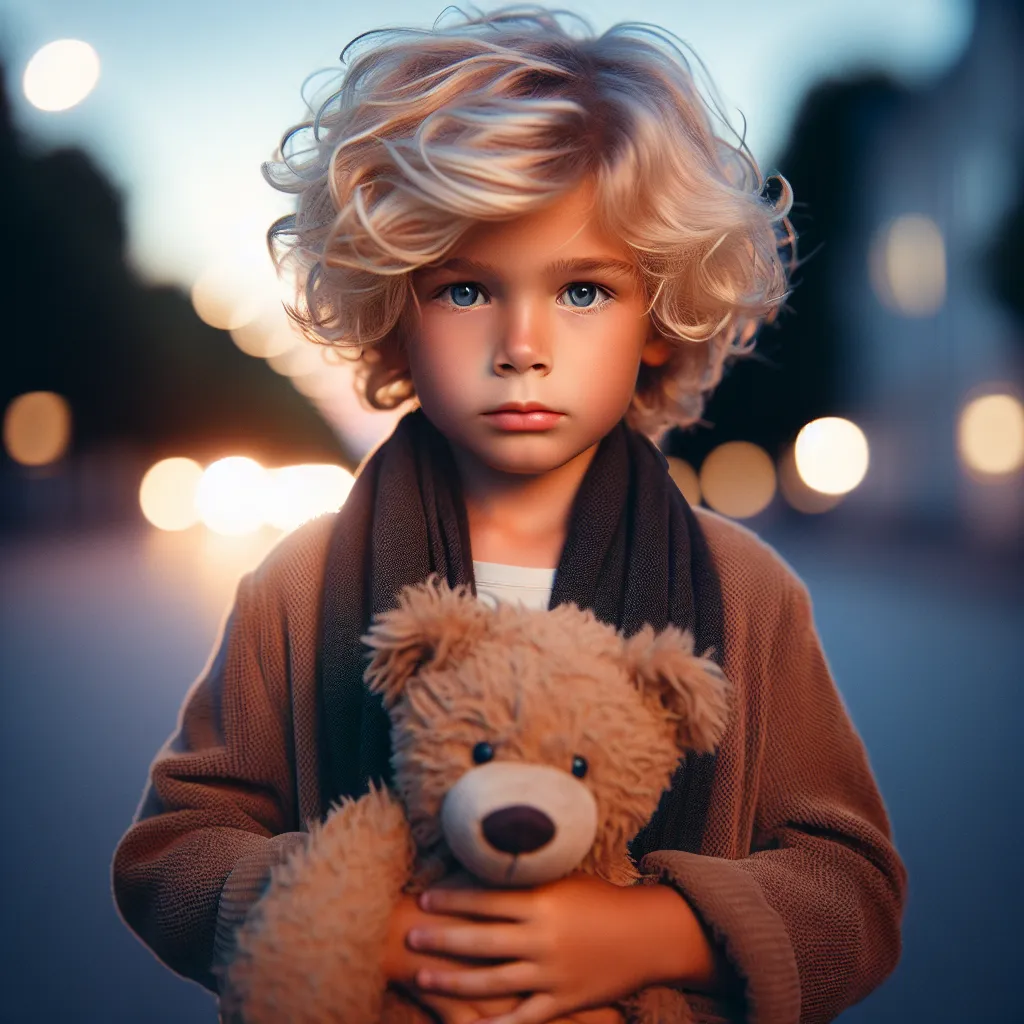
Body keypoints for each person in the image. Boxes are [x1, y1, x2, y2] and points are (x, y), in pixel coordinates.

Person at [111, 7, 907, 1023]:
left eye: (581, 289)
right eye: (464, 290)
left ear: (658, 319)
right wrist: (362, 925)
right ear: (394, 310)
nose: (521, 342)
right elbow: (173, 850)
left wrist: (650, 933)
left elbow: (854, 891)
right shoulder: (300, 585)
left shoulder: (745, 593)